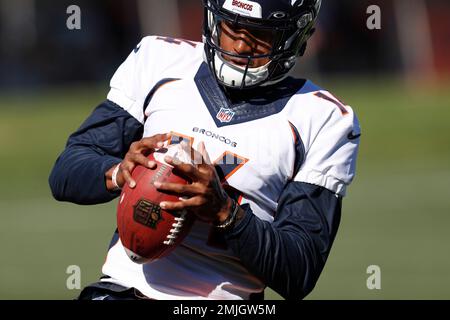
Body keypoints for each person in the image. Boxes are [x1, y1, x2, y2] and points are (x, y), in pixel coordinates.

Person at [49, 0, 360, 300]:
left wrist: (224, 211)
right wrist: (119, 172)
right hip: (121, 290)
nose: (239, 47)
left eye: (260, 34)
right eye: (232, 27)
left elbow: (298, 272)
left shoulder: (323, 118)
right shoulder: (160, 60)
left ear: (295, 36)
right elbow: (65, 172)